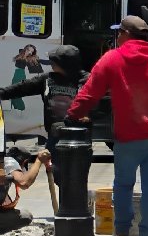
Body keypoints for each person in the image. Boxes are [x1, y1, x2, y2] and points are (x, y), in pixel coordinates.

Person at [67, 16, 148, 236]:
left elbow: (90, 93)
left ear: (124, 34)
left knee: (123, 185)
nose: (116, 38)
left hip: (128, 136)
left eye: (117, 34)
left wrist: (72, 115)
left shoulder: (112, 59)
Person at [0, 45, 89, 176]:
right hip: (55, 136)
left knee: (76, 179)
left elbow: (102, 101)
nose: (52, 64)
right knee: (58, 175)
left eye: (55, 61)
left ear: (65, 64)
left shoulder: (88, 79)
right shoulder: (48, 79)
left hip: (80, 137)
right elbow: (20, 88)